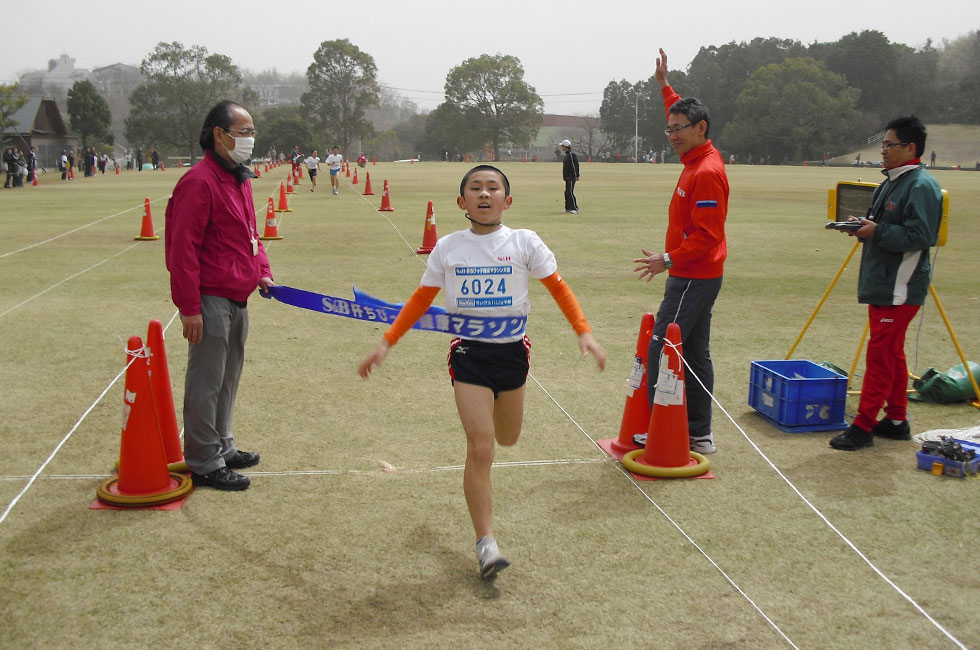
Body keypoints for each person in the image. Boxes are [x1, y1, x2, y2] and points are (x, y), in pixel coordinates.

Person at [358, 165, 606, 578]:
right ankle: (486, 543)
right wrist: (386, 342)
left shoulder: (525, 242)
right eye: (475, 188)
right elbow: (421, 299)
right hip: (468, 355)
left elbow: (559, 287)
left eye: (493, 188)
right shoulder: (449, 247)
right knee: (482, 447)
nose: (484, 194)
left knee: (507, 438)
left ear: (507, 201)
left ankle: (490, 464)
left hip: (512, 355)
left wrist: (585, 332)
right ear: (462, 202)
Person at [165, 100, 274, 490]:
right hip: (210, 298)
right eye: (243, 132)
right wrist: (189, 308)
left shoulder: (238, 178)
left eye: (251, 132)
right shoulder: (199, 182)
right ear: (219, 135)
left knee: (228, 377)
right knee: (206, 381)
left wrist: (261, 271)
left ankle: (222, 445)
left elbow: (250, 233)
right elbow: (183, 250)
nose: (250, 139)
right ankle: (203, 460)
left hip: (238, 295)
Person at [632, 48, 729, 455]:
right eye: (669, 128)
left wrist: (667, 259)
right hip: (695, 274)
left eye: (679, 129)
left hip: (693, 275)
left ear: (701, 128)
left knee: (662, 343)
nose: (672, 135)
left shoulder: (706, 173)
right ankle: (698, 432)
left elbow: (707, 236)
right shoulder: (695, 155)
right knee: (694, 350)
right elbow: (677, 108)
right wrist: (664, 86)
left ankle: (666, 427)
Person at [829, 115, 942, 451]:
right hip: (884, 282)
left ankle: (863, 426)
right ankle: (895, 419)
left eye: (889, 144)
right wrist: (862, 227)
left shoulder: (921, 186)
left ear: (911, 148)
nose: (883, 150)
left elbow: (921, 236)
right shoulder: (891, 181)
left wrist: (876, 231)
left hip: (901, 287)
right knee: (892, 353)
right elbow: (883, 228)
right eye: (883, 144)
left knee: (880, 355)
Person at [559, 139, 580, 214]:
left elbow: (575, 166)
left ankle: (575, 208)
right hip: (567, 177)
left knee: (570, 192)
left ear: (566, 146)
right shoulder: (567, 155)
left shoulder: (571, 155)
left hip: (571, 177)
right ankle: (568, 207)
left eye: (562, 146)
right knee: (567, 192)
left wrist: (576, 176)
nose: (562, 147)